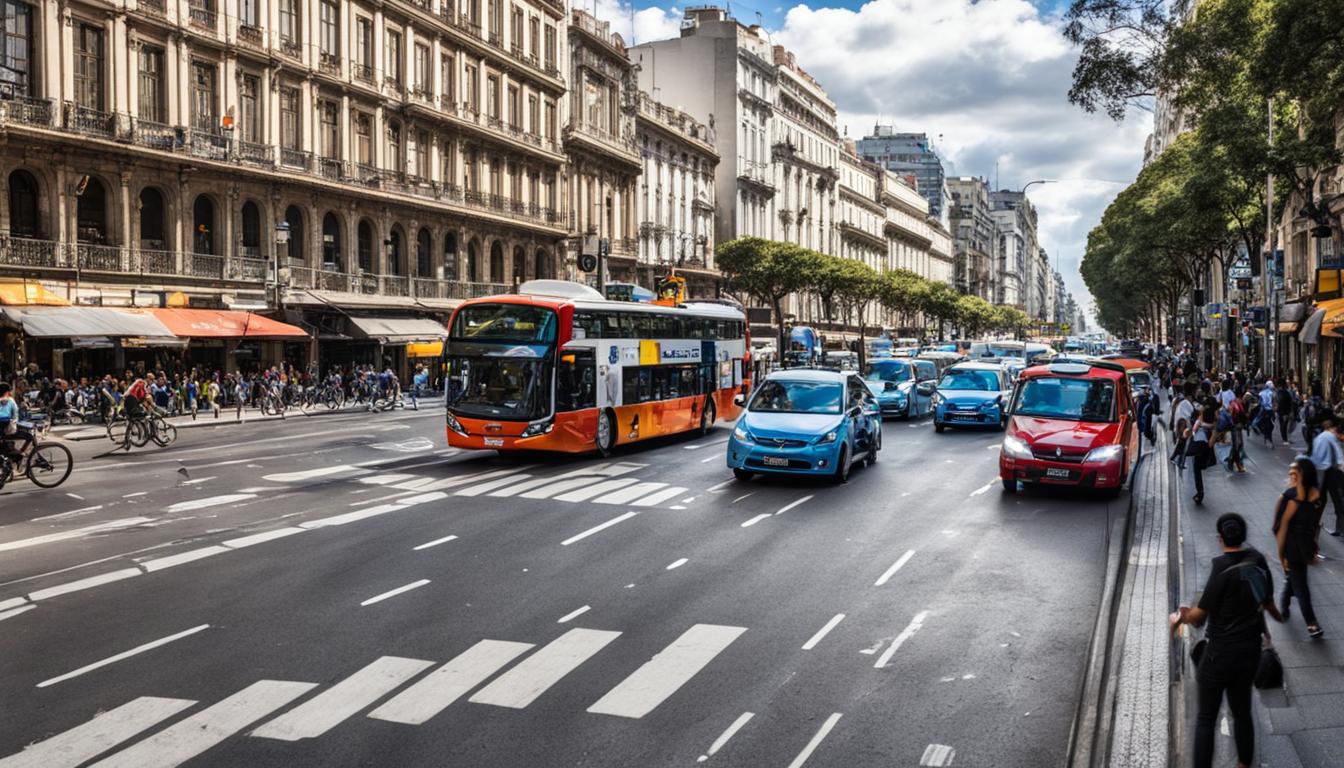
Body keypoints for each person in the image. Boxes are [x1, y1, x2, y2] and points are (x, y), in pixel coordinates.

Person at [1173, 513, 1283, 768]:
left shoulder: (1221, 568)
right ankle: (1244, 764)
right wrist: (1279, 616)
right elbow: (1267, 602)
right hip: (1249, 653)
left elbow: (1199, 617)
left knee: (1206, 719)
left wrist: (1180, 617)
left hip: (1219, 655)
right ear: (1244, 536)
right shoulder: (1258, 561)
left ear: (1220, 538)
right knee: (1242, 713)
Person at [1276, 457, 1325, 639]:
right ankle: (1311, 623)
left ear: (1305, 474)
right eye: (1289, 471)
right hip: (1292, 546)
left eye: (1295, 471)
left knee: (1295, 579)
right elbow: (1280, 529)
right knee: (1302, 586)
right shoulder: (1288, 498)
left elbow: (1315, 525)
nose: (1290, 474)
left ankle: (1285, 597)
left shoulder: (1316, 496)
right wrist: (1282, 558)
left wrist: (1314, 548)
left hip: (1306, 545)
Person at [1312, 415, 1344, 537]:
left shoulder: (1318, 438)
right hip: (1331, 472)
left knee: (1321, 500)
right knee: (1339, 500)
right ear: (1333, 428)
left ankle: (1314, 524)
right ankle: (1341, 528)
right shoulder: (1331, 437)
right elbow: (1340, 458)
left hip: (1319, 472)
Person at [1186, 399, 1218, 505]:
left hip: (1198, 449)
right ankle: (1199, 493)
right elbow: (1210, 444)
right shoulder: (1214, 427)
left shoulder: (1200, 421)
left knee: (1197, 470)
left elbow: (1193, 431)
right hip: (1206, 452)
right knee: (1198, 468)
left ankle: (1200, 493)